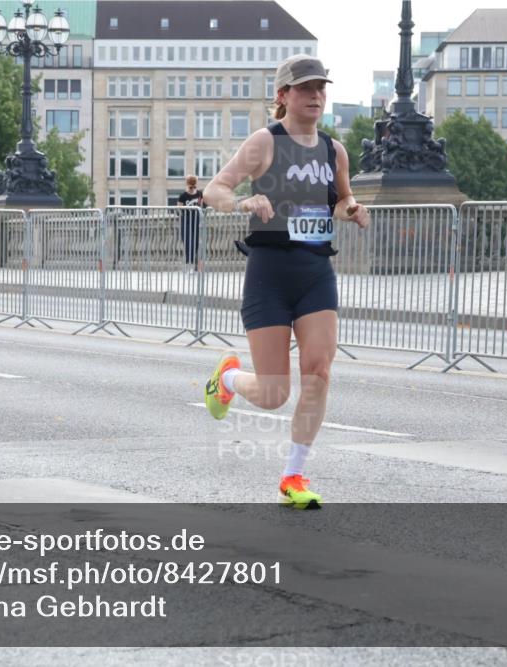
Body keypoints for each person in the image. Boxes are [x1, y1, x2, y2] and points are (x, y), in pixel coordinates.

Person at [202, 54, 369, 510]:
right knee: (275, 394)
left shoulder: (334, 149)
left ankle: (293, 475)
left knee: (318, 371)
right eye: (305, 89)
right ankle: (230, 378)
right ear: (284, 96)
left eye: (321, 88)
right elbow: (215, 189)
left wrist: (351, 209)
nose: (316, 96)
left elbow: (340, 197)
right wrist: (243, 202)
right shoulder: (264, 142)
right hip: (270, 273)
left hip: (316, 271)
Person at [177, 174, 204, 272]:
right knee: (188, 242)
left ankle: (196, 265)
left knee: (197, 242)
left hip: (197, 221)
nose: (192, 188)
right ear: (187, 184)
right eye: (191, 186)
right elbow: (179, 209)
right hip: (187, 221)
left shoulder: (200, 194)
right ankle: (189, 264)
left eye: (194, 186)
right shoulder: (183, 195)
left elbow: (201, 206)